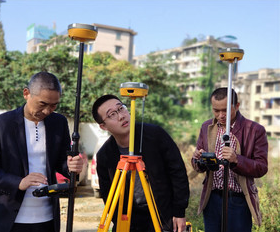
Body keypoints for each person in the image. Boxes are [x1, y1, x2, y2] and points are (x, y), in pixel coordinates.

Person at [0, 72, 84, 232]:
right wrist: (18, 182)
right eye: (42, 104)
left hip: (46, 217)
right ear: (26, 93)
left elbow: (62, 162)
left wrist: (72, 167)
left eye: (54, 105)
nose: (47, 110)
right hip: (7, 218)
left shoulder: (58, 122)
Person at [92, 94, 190, 232]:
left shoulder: (155, 135)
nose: (121, 116)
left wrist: (179, 212)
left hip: (163, 216)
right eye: (112, 114)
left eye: (121, 109)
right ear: (103, 126)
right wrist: (117, 222)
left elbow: (178, 172)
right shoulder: (105, 155)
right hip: (130, 220)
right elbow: (108, 194)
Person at [191, 87, 268, 232]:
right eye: (216, 110)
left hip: (238, 200)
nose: (221, 115)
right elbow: (197, 165)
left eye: (225, 110)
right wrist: (198, 159)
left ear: (237, 106)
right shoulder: (207, 126)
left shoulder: (255, 129)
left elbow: (262, 167)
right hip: (212, 198)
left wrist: (237, 160)